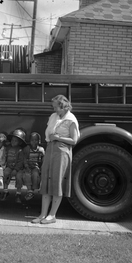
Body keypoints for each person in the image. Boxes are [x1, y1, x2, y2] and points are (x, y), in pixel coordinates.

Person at [32, 95, 80, 225]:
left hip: (62, 151)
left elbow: (74, 140)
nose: (54, 109)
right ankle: (42, 214)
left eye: (56, 107)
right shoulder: (53, 117)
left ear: (63, 106)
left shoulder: (71, 120)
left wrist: (58, 138)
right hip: (51, 149)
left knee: (57, 182)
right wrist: (53, 138)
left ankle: (52, 215)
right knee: (46, 181)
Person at [0, 129, 28, 203]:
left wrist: (16, 169)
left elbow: (20, 161)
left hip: (18, 169)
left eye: (15, 141)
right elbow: (3, 143)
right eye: (12, 140)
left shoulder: (20, 150)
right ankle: (5, 191)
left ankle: (18, 193)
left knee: (19, 177)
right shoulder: (8, 147)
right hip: (9, 166)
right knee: (5, 173)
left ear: (20, 142)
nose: (13, 142)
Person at [23, 132, 45, 201]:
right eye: (32, 140)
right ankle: (29, 190)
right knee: (27, 174)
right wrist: (26, 166)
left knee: (35, 174)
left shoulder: (41, 150)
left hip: (36, 166)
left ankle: (33, 189)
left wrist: (41, 168)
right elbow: (24, 158)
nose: (34, 142)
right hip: (28, 166)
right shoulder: (27, 149)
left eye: (36, 140)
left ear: (39, 141)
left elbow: (43, 160)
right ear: (30, 141)